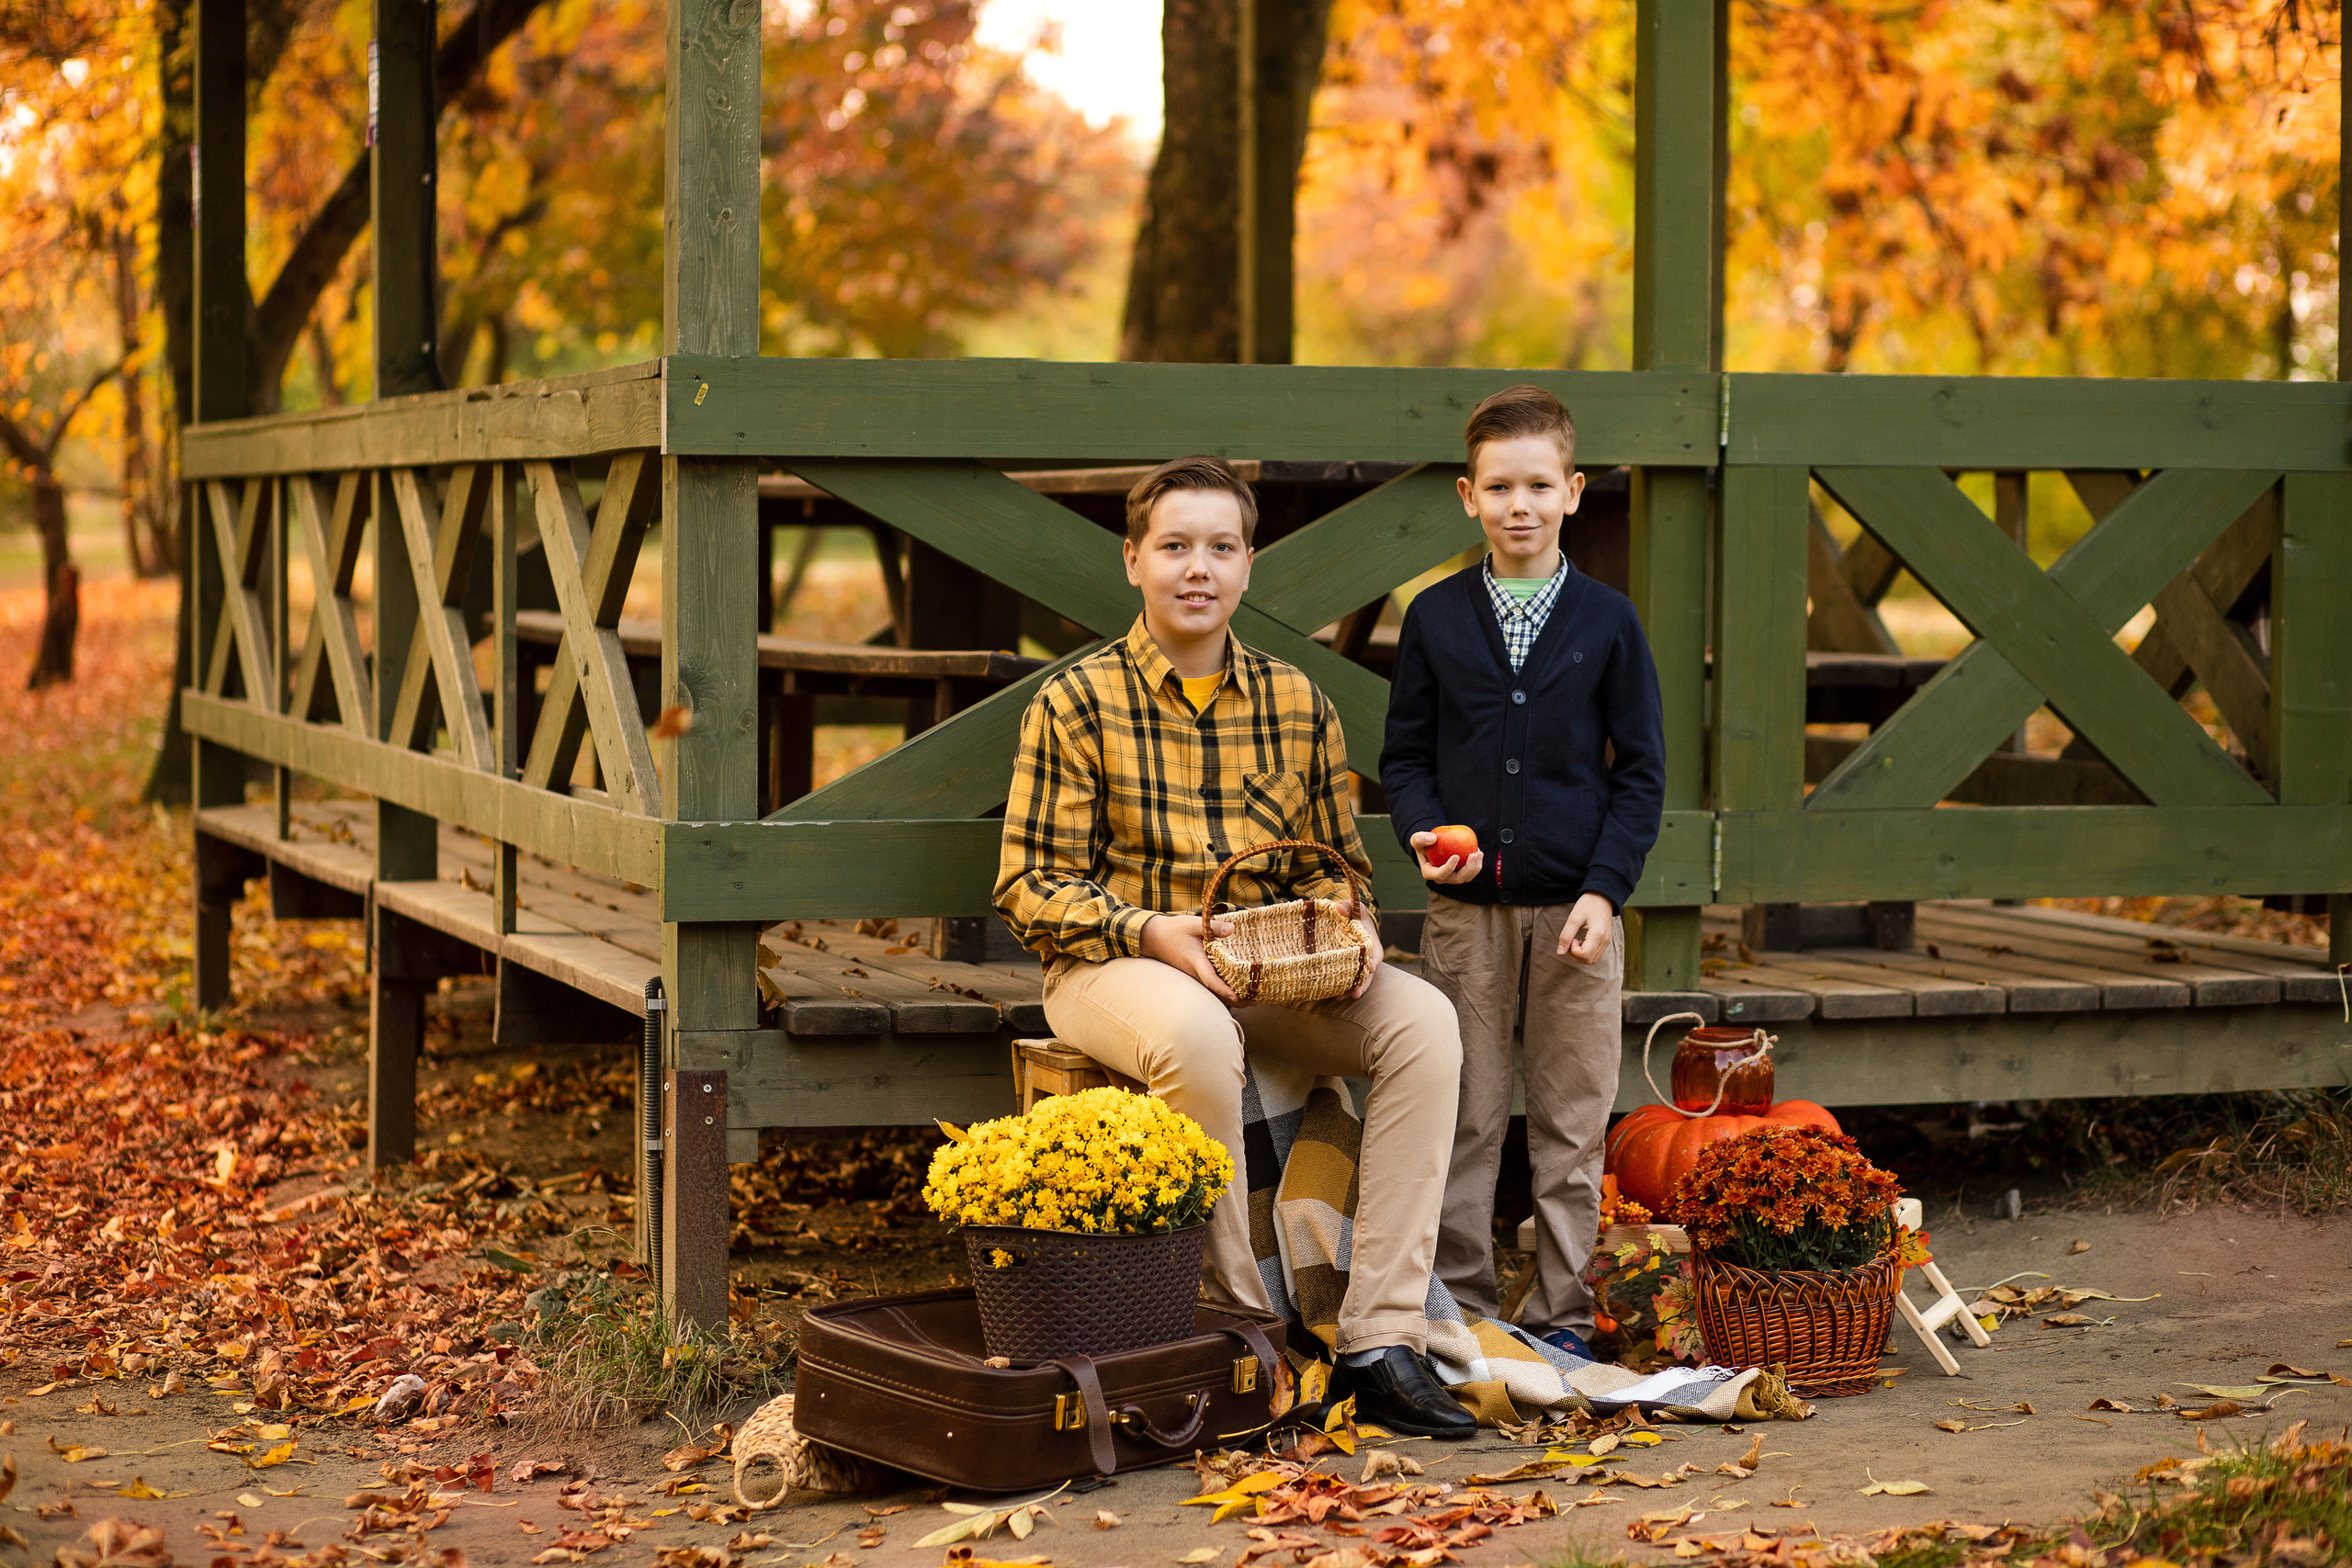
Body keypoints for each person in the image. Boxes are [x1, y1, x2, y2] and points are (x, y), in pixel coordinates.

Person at [995, 455, 1474, 1438]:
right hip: (1113, 965)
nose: (1196, 568)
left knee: (1424, 1023)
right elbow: (1027, 885)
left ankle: (1382, 1336)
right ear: (1133, 561)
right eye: (1174, 547)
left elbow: (1337, 866)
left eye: (1220, 547)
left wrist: (1346, 923)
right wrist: (1150, 933)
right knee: (1199, 1037)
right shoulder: (1075, 703)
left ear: (1248, 566)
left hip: (1264, 967)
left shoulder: (1295, 702)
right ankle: (1240, 1332)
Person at [1379, 385, 1666, 1359]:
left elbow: (1642, 776)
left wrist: (1603, 890)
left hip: (1577, 913)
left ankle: (1563, 1314)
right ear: (1467, 496)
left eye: (1538, 485)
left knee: (1571, 1121)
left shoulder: (1609, 622)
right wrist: (1422, 831)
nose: (1518, 505)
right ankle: (1459, 1307)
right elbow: (1406, 758)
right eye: (1498, 486)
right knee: (1460, 1114)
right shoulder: (1434, 618)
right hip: (1466, 915)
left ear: (1573, 492)